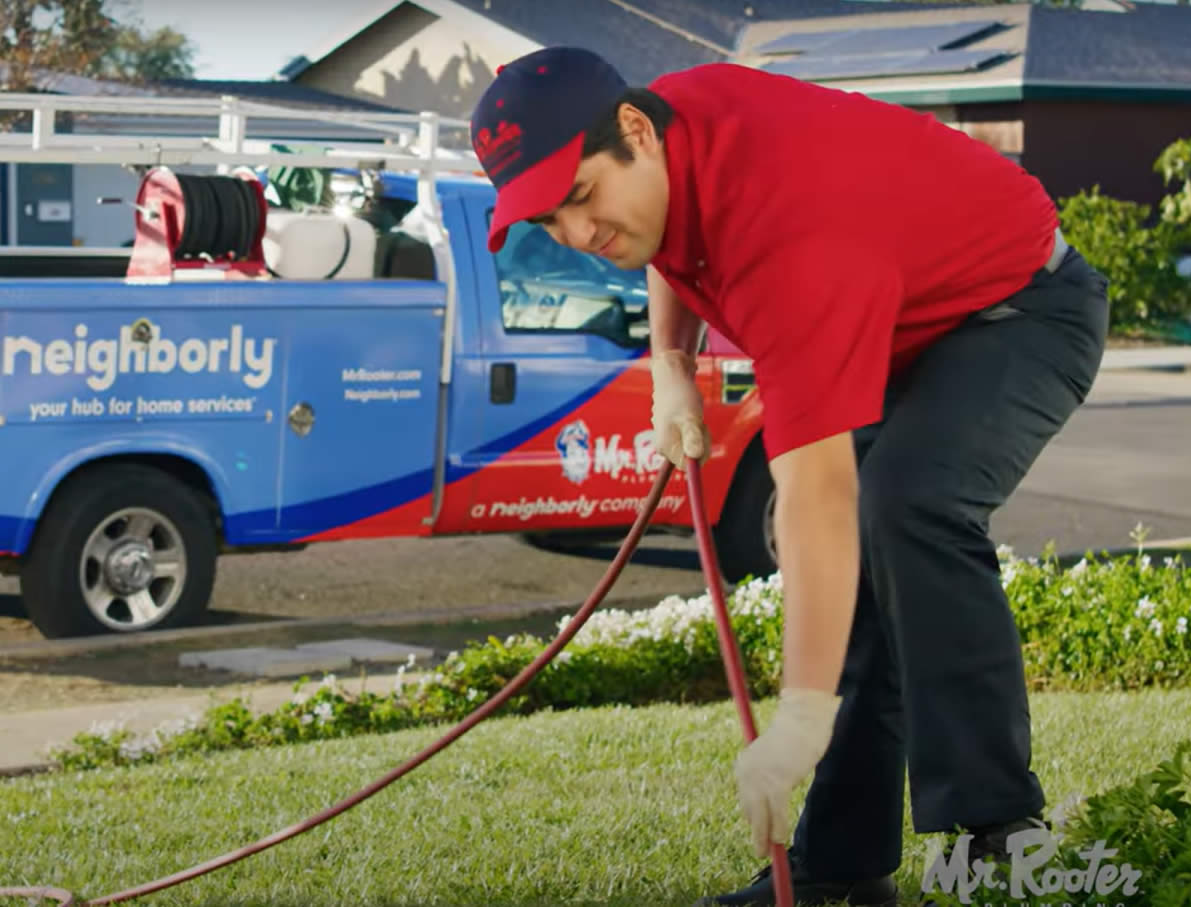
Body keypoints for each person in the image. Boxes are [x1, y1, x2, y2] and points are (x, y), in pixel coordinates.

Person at [469, 47, 1108, 906]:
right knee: (873, 575)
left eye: (581, 197)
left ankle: (999, 835)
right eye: (550, 221)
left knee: (906, 505)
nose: (581, 237)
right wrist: (669, 361)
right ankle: (841, 867)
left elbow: (816, 495)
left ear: (633, 131)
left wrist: (802, 717)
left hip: (1021, 309)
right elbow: (666, 231)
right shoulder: (663, 131)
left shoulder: (791, 227)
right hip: (901, 317)